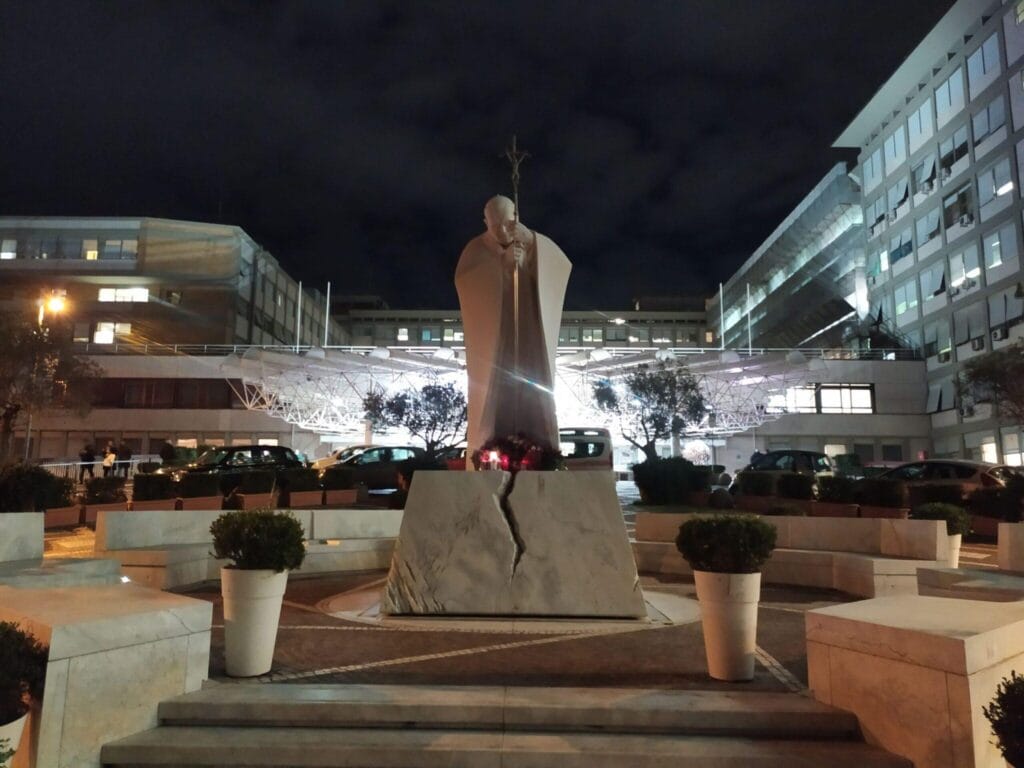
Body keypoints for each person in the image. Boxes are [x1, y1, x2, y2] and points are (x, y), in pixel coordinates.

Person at [455, 195, 571, 457]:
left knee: (535, 383)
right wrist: (502, 270)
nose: (504, 231)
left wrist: (531, 246)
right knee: (495, 393)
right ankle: (491, 448)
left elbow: (560, 266)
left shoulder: (532, 241)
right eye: (496, 227)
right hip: (498, 340)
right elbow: (468, 283)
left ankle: (543, 450)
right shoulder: (475, 251)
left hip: (529, 334)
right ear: (486, 223)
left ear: (517, 216)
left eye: (508, 223)